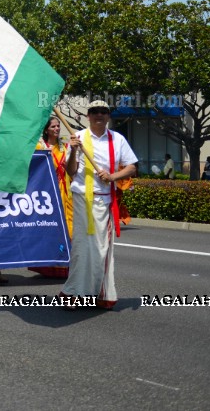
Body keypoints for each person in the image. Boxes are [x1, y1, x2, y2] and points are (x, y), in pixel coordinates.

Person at [61, 100, 138, 310]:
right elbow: (70, 171)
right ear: (88, 115)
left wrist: (113, 176)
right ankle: (73, 294)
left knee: (103, 250)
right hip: (82, 199)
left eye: (103, 111)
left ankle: (99, 293)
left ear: (108, 116)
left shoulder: (117, 139)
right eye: (94, 111)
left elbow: (131, 167)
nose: (99, 115)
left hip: (107, 199)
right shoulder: (78, 137)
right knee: (83, 248)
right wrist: (74, 150)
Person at [30, 116, 73, 279]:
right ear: (46, 129)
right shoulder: (40, 146)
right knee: (50, 229)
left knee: (69, 230)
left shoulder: (66, 147)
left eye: (58, 126)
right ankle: (49, 267)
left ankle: (67, 267)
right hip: (48, 193)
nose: (57, 129)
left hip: (66, 193)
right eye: (53, 126)